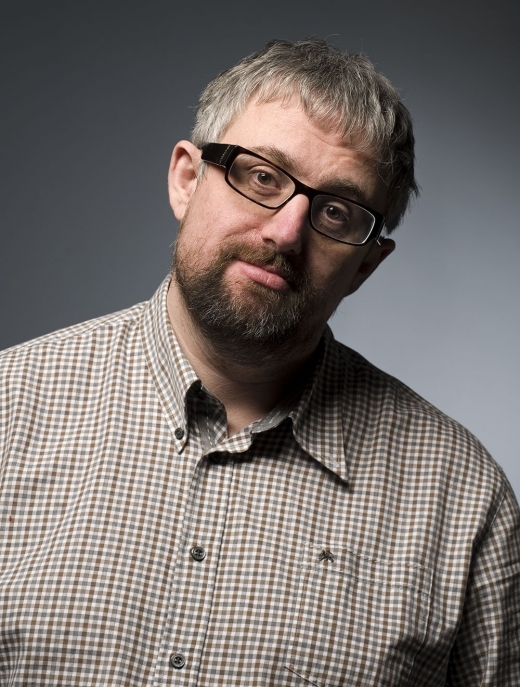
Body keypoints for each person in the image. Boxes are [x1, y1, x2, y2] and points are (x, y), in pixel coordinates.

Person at [0, 38, 518, 686]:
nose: (285, 232)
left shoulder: (462, 501)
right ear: (187, 180)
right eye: (262, 177)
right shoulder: (10, 411)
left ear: (366, 264)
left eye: (336, 212)